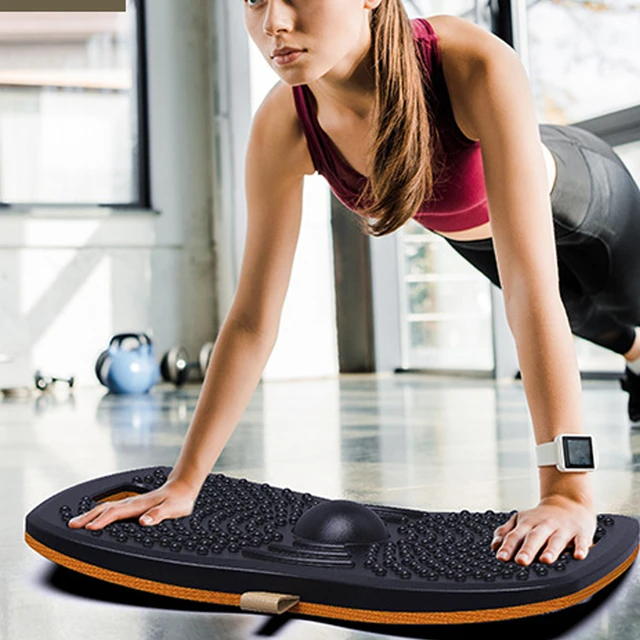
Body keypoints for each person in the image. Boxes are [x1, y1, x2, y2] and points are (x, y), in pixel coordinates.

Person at [69, 0, 639, 569]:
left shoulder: (470, 63)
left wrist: (565, 491)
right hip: (474, 238)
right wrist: (184, 482)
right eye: (253, 0)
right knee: (594, 324)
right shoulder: (286, 123)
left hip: (589, 208)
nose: (273, 23)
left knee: (605, 301)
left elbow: (531, 290)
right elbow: (250, 320)